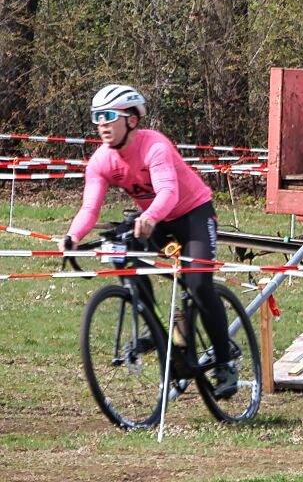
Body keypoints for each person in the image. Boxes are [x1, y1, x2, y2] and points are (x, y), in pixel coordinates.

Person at [59, 84, 239, 399]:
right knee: (124, 254)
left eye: (108, 116)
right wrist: (74, 236)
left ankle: (224, 363)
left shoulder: (154, 146)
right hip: (154, 218)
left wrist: (151, 217)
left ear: (130, 119)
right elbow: (90, 208)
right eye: (96, 117)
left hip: (193, 214)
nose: (101, 124)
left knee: (199, 284)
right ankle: (154, 325)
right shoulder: (101, 161)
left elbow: (168, 191)